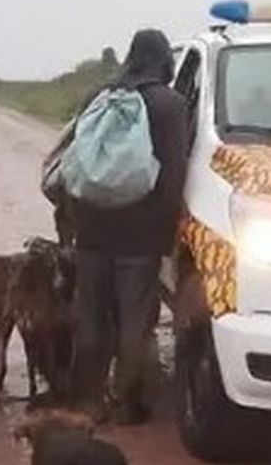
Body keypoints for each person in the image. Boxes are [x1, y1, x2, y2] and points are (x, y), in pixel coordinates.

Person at [66, 29, 189, 425]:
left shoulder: (97, 97)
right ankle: (129, 402)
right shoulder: (169, 104)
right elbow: (173, 176)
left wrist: (72, 223)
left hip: (91, 229)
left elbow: (74, 163)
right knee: (135, 321)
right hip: (140, 235)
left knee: (92, 318)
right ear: (163, 60)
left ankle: (88, 401)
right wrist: (169, 234)